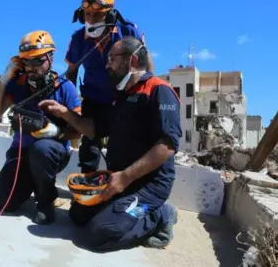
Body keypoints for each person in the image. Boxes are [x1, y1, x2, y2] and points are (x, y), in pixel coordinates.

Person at [39, 36, 181, 251]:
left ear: (131, 60)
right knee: (77, 216)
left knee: (100, 233)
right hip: (119, 179)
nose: (107, 65)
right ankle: (123, 210)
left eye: (112, 59)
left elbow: (168, 145)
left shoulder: (159, 90)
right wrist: (65, 114)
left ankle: (162, 215)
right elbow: (95, 128)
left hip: (148, 185)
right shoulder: (121, 97)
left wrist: (125, 177)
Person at [0, 30, 82, 225]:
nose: (31, 67)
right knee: (2, 202)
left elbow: (79, 130)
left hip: (50, 153)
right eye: (26, 62)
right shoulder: (18, 84)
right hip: (20, 153)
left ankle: (45, 202)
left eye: (37, 61)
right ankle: (29, 182)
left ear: (50, 58)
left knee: (41, 149)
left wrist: (57, 132)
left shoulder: (65, 87)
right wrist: (5, 77)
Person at [66, 0, 155, 174]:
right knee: (90, 143)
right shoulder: (78, 39)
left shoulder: (127, 30)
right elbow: (71, 72)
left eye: (96, 15)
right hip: (93, 97)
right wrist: (71, 106)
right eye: (87, 14)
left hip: (122, 96)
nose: (90, 19)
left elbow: (145, 62)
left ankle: (118, 181)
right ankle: (87, 179)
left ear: (110, 16)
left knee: (122, 140)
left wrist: (149, 92)